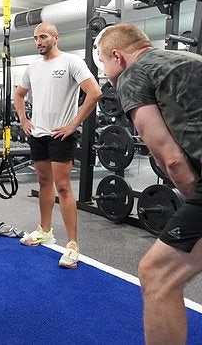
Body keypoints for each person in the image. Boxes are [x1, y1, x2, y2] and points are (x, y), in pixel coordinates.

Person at [97, 22, 202, 345]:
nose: (105, 72)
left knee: (157, 274)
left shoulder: (133, 75)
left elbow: (169, 158)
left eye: (103, 64)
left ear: (117, 56)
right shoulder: (189, 60)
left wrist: (193, 201)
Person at [14, 21, 102, 268]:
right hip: (38, 134)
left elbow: (94, 92)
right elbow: (19, 94)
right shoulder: (32, 68)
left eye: (43, 37)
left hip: (60, 134)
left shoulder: (71, 62)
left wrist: (73, 124)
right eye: (35, 38)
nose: (38, 42)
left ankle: (72, 245)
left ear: (56, 38)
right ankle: (45, 230)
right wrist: (23, 120)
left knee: (63, 187)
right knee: (44, 183)